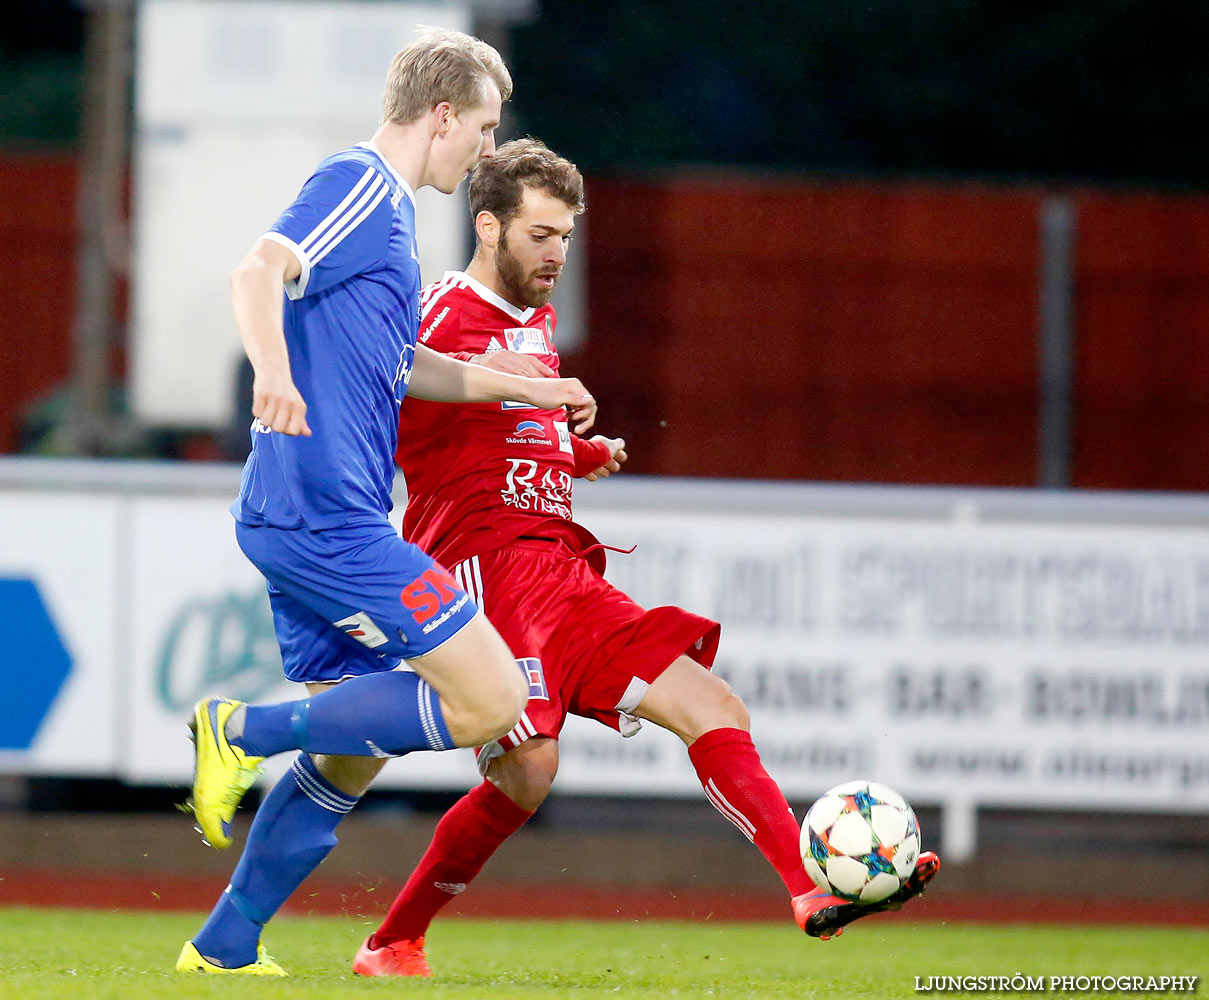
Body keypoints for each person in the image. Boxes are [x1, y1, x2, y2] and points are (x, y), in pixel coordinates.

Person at [350, 138, 941, 978]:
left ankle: (809, 888)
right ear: (488, 227)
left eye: (565, 237)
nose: (557, 254)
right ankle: (393, 939)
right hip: (481, 567)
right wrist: (519, 391)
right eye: (540, 235)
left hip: (561, 570)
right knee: (529, 769)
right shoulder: (444, 305)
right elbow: (391, 371)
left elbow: (506, 428)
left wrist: (572, 452)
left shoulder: (537, 322)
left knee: (713, 704)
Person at [175, 31, 599, 977]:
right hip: (322, 513)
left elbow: (403, 366)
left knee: (350, 749)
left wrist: (527, 391)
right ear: (442, 114)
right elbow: (255, 271)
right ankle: (235, 731)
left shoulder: (396, 223)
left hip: (322, 512)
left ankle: (225, 944)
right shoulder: (360, 183)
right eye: (484, 128)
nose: (487, 151)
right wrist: (273, 374)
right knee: (492, 700)